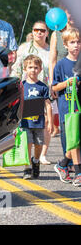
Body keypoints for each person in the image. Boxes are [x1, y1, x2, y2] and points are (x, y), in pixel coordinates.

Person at [11, 21, 53, 164]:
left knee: (45, 123)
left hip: (45, 89)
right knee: (29, 125)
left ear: (47, 33)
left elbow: (54, 65)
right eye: (36, 30)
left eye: (42, 30)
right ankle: (29, 159)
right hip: (27, 91)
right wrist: (15, 84)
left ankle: (42, 155)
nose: (39, 33)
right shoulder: (24, 48)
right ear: (33, 31)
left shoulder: (50, 49)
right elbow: (17, 67)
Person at [52, 28, 81, 187]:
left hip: (79, 106)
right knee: (74, 141)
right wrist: (67, 83)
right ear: (65, 45)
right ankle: (78, 173)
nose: (76, 45)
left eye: (78, 42)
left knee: (77, 140)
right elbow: (54, 87)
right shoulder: (62, 64)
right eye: (72, 42)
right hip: (67, 108)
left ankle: (63, 164)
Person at [19, 55, 52, 180]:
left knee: (38, 145)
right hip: (25, 122)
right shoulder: (22, 86)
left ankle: (36, 161)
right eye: (30, 67)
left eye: (36, 67)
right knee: (28, 143)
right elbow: (18, 104)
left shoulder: (43, 87)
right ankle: (27, 168)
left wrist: (49, 121)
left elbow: (48, 105)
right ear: (25, 69)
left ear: (40, 69)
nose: (33, 70)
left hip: (39, 122)